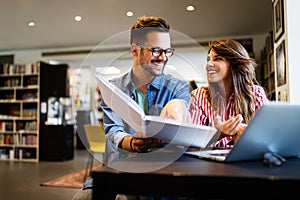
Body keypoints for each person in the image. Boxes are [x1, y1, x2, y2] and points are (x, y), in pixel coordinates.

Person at [72, 15, 190, 200]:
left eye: (168, 51)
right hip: (121, 167)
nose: (164, 58)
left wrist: (178, 107)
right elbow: (113, 130)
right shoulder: (113, 88)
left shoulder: (178, 87)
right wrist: (131, 143)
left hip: (163, 172)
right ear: (135, 50)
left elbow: (184, 110)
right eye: (156, 50)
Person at [190, 39, 269, 149]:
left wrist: (246, 137)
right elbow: (190, 144)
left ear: (234, 64)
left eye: (217, 59)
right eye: (208, 59)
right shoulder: (198, 95)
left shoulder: (256, 93)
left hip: (244, 161)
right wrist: (219, 133)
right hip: (208, 163)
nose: (209, 64)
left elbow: (267, 139)